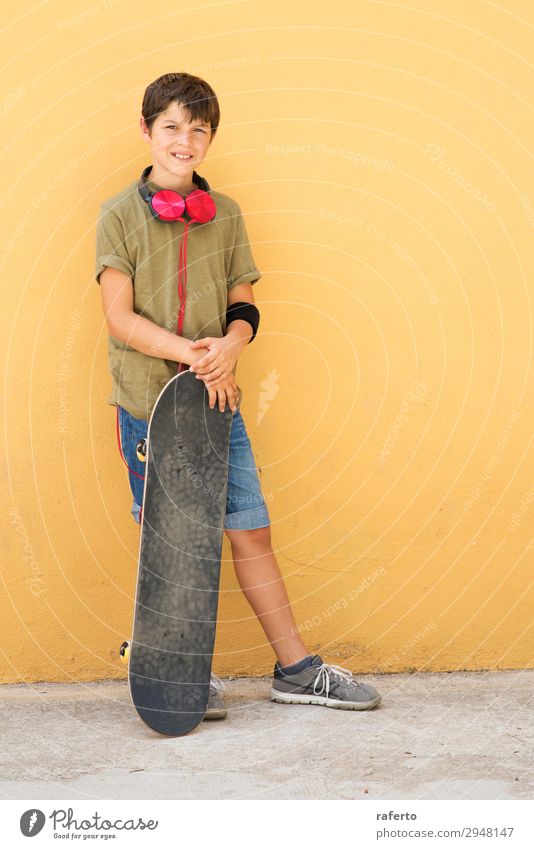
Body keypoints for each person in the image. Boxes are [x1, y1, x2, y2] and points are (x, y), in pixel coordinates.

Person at [95, 72, 382, 719]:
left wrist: (231, 345)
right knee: (174, 543)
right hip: (152, 408)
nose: (184, 140)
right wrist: (191, 354)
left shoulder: (226, 214)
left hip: (217, 404)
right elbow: (118, 317)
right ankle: (182, 670)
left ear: (210, 138)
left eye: (198, 129)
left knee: (251, 528)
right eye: (171, 126)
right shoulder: (118, 215)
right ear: (147, 131)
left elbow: (244, 303)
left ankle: (297, 668)